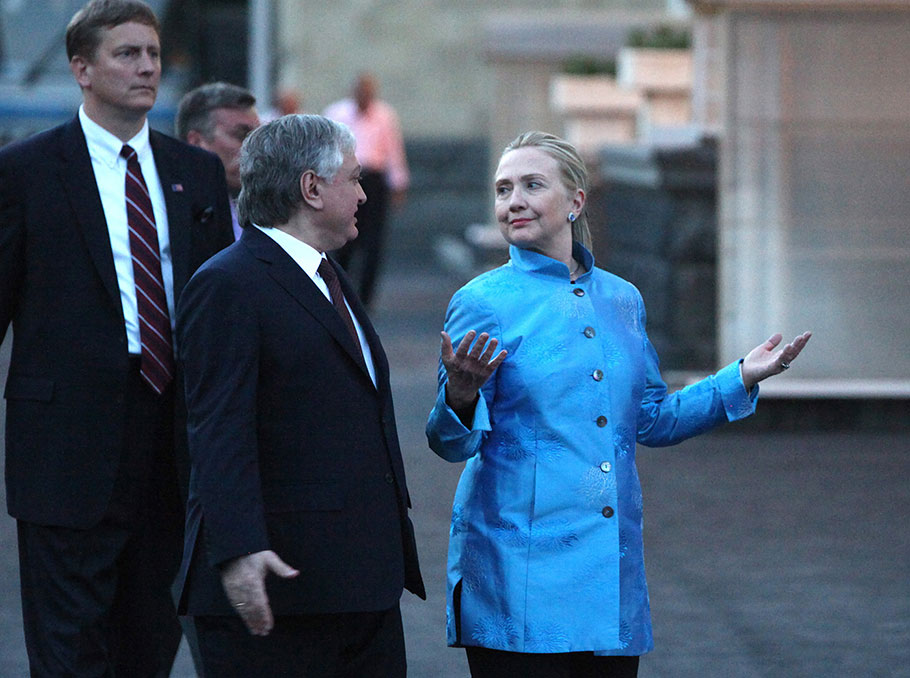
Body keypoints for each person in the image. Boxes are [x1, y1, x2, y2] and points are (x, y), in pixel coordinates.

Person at [426, 131, 811, 678]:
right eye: (503, 188)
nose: (513, 201)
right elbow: (447, 442)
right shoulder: (481, 301)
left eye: (532, 185)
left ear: (575, 201)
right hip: (516, 569)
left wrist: (740, 377)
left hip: (608, 569)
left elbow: (652, 419)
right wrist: (460, 395)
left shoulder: (622, 298)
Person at [0, 0, 234, 675]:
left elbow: (221, 311)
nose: (146, 68)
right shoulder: (25, 173)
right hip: (65, 451)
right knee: (70, 650)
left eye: (154, 54)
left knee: (149, 644)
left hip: (173, 444)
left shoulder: (197, 173)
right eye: (127, 54)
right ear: (81, 68)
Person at [175, 114, 425, 677]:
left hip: (359, 587)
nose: (365, 194)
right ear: (311, 188)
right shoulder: (229, 283)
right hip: (280, 592)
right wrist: (239, 550)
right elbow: (219, 426)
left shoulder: (330, 276)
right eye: (355, 180)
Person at [323, 72, 408, 307]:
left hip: (374, 180)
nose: (364, 95)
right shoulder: (336, 113)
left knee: (373, 241)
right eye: (361, 90)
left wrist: (398, 183)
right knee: (342, 236)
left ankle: (366, 299)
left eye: (369, 91)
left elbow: (393, 150)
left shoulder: (385, 115)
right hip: (343, 179)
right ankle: (340, 288)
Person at [176, 81, 260, 241]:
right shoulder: (171, 214)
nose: (256, 148)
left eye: (258, 137)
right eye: (242, 135)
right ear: (196, 142)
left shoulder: (265, 210)